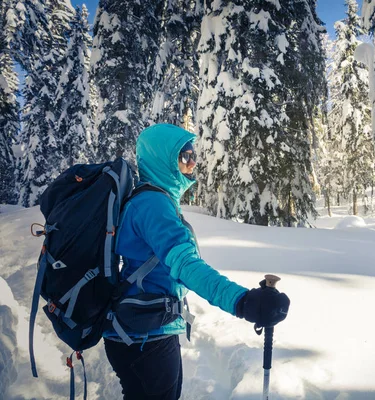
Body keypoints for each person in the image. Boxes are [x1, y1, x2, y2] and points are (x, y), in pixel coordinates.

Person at [103, 123, 290, 399]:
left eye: (193, 155)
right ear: (161, 159)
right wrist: (242, 301)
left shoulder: (152, 200)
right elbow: (185, 265)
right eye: (184, 156)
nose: (192, 163)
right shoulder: (153, 206)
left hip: (139, 329)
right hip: (147, 336)